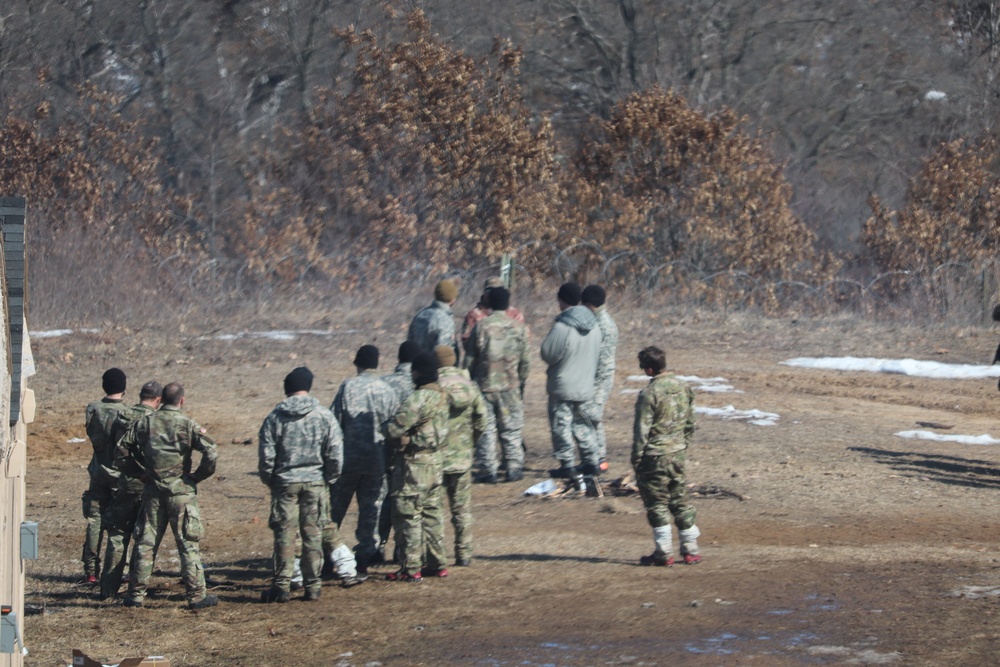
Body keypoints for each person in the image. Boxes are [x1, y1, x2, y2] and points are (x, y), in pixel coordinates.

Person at [258, 367, 356, 603]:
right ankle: (313, 586)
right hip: (315, 483)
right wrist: (328, 478)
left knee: (284, 533)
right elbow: (335, 454)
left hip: (285, 484)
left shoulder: (274, 417)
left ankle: (282, 585)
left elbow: (266, 457)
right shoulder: (324, 416)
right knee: (313, 534)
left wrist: (272, 480)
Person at [122, 383, 219, 609]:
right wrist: (196, 477)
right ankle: (196, 596)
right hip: (181, 494)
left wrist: (140, 473)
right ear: (181, 401)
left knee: (145, 543)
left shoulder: (145, 423)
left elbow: (121, 450)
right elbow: (211, 451)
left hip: (153, 492)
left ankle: (135, 595)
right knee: (187, 543)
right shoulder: (187, 424)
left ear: (161, 400)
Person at [329, 346, 400, 574]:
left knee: (334, 510)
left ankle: (327, 552)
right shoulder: (387, 390)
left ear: (357, 363)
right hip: (376, 461)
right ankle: (365, 556)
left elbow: (334, 422)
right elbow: (394, 427)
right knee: (371, 510)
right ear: (376, 365)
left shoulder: (348, 387)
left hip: (347, 460)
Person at [632, 346, 702, 566]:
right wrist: (682, 445)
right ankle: (691, 550)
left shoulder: (649, 393)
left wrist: (637, 458)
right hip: (677, 453)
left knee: (657, 504)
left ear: (649, 369)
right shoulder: (684, 387)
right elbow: (691, 422)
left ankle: (663, 553)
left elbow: (642, 429)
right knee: (680, 500)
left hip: (654, 455)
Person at [385, 352, 450, 582]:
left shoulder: (418, 399)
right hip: (436, 463)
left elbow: (394, 429)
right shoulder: (442, 397)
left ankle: (411, 568)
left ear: (418, 373)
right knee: (432, 515)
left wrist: (387, 429)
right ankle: (437, 563)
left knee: (409, 514)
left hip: (414, 465)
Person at [99, 380, 162, 600]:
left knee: (117, 537)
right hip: (149, 486)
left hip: (126, 483)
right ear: (158, 399)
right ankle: (136, 590)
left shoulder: (122, 416)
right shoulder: (155, 421)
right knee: (144, 539)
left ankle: (107, 589)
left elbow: (113, 451)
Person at [435, 345, 496, 566]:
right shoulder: (469, 385)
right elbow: (482, 418)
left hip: (437, 459)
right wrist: (470, 441)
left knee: (435, 510)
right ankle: (464, 554)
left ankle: (436, 555)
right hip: (462, 457)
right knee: (462, 511)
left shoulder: (433, 386)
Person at [540, 282, 603, 492]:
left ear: (561, 300)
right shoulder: (595, 325)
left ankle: (567, 465)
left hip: (563, 385)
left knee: (561, 425)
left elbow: (548, 354)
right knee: (583, 425)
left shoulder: (563, 326)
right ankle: (591, 462)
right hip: (585, 385)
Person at [464, 287, 530, 483]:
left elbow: (470, 358)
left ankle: (488, 470)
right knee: (511, 428)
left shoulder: (481, 326)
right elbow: (525, 360)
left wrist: (468, 379)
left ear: (490, 303)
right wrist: (520, 381)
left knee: (486, 429)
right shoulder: (519, 328)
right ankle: (514, 467)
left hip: (484, 385)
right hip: (510, 386)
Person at [82, 368, 130, 583]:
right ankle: (114, 573)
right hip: (119, 475)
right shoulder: (128, 413)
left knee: (94, 521)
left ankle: (91, 571)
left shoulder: (93, 409)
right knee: (118, 525)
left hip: (97, 472)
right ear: (124, 387)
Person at [582, 285, 619, 471]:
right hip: (597, 377)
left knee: (592, 416)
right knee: (591, 416)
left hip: (599, 379)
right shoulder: (599, 321)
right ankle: (596, 457)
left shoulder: (601, 325)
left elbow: (597, 359)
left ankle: (599, 459)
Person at [460, 277, 526, 348]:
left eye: (498, 290)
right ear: (484, 292)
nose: (493, 293)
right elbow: (467, 342)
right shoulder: (474, 315)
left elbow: (524, 340)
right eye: (489, 290)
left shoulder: (515, 314)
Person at [408, 278, 460, 360]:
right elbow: (443, 356)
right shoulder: (445, 321)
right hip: (434, 370)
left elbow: (410, 345)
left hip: (417, 369)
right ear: (452, 299)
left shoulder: (420, 315)